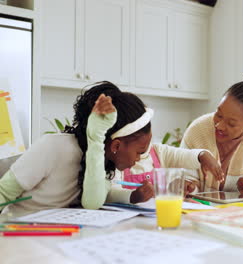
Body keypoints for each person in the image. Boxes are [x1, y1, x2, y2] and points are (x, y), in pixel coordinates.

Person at [0, 81, 156, 215]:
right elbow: (5, 191)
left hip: (56, 233)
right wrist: (96, 138)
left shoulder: (104, 161)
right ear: (116, 145)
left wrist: (132, 197)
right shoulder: (54, 147)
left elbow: (98, 196)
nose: (138, 160)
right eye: (139, 152)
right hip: (19, 228)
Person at [181, 66, 243, 201]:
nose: (219, 125)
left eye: (231, 123)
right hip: (205, 209)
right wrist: (189, 186)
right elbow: (186, 176)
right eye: (218, 114)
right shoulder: (197, 130)